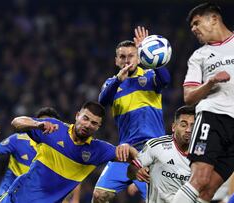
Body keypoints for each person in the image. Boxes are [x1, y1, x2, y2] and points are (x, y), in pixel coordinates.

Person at [0, 101, 136, 203]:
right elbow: (17, 122)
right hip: (15, 198)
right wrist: (37, 124)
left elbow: (134, 156)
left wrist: (127, 148)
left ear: (98, 127)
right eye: (85, 118)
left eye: (94, 123)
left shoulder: (98, 150)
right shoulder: (54, 128)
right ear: (77, 115)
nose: (87, 125)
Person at [93, 26, 171, 202]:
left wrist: (147, 48)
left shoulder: (151, 76)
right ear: (116, 60)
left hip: (153, 150)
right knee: (99, 195)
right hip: (126, 151)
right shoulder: (111, 84)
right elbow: (102, 101)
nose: (126, 60)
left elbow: (166, 80)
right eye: (122, 57)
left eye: (131, 55)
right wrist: (118, 80)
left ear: (139, 57)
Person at [172, 2, 234, 203]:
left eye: (197, 23)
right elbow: (188, 96)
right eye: (191, 27)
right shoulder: (199, 56)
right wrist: (211, 81)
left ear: (214, 18)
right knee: (199, 179)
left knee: (208, 192)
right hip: (212, 118)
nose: (193, 29)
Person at [0, 107, 81, 202]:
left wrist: (75, 199)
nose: (46, 127)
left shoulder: (59, 153)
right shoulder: (17, 140)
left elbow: (73, 177)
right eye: (43, 123)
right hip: (10, 196)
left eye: (51, 125)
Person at [126, 106, 195, 203]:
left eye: (193, 126)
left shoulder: (203, 155)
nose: (188, 130)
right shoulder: (157, 146)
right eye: (183, 125)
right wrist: (137, 172)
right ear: (174, 127)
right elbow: (131, 170)